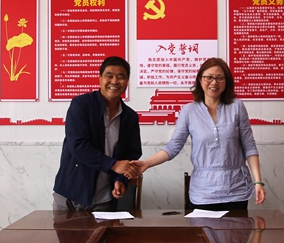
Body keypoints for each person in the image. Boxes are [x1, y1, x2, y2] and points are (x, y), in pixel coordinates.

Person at [130, 57, 266, 211]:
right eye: (209, 77)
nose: (214, 82)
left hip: (236, 190)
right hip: (203, 192)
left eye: (220, 78)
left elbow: (249, 146)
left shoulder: (237, 106)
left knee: (237, 227)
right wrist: (147, 163)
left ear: (226, 82)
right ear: (200, 80)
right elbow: (174, 147)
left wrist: (258, 181)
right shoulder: (189, 111)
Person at [53, 56, 141, 211]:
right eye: (109, 76)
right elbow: (78, 145)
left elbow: (131, 154)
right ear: (100, 78)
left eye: (121, 77)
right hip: (71, 194)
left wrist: (120, 179)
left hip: (104, 198)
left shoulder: (130, 117)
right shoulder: (81, 105)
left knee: (104, 229)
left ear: (127, 82)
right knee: (64, 229)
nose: (114, 81)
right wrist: (113, 165)